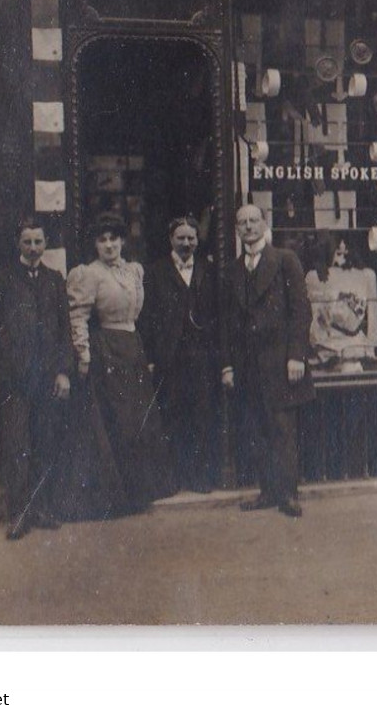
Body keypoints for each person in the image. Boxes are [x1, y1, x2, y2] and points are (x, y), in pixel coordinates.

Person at [66, 215, 174, 513]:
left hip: (132, 348)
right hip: (107, 350)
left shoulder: (134, 271)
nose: (109, 245)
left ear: (123, 241)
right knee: (118, 421)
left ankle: (139, 493)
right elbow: (78, 316)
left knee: (139, 421)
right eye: (102, 240)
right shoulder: (88, 274)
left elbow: (140, 315)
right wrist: (84, 354)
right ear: (95, 245)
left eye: (114, 239)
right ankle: (117, 498)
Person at [0, 217, 72, 539]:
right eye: (27, 242)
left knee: (45, 444)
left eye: (38, 242)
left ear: (46, 244)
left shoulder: (54, 279)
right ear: (18, 244)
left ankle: (42, 508)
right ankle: (18, 513)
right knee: (17, 446)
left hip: (46, 378)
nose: (33, 248)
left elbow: (64, 330)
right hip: (13, 379)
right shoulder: (3, 279)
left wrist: (63, 372)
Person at [222, 203, 314, 518]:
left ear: (264, 224)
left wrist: (296, 355)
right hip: (248, 363)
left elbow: (301, 311)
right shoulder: (234, 269)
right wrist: (229, 365)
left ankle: (288, 494)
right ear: (237, 229)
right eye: (242, 222)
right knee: (257, 428)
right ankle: (267, 491)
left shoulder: (285, 260)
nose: (248, 227)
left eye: (253, 220)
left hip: (280, 361)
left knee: (282, 428)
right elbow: (230, 324)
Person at [138, 216, 219, 493]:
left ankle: (200, 478)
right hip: (168, 357)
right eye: (181, 238)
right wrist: (149, 357)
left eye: (191, 238)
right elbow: (146, 317)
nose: (186, 243)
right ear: (171, 240)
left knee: (201, 416)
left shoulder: (208, 270)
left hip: (201, 357)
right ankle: (172, 480)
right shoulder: (155, 272)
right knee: (171, 417)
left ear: (198, 240)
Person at [305, 234, 377, 370]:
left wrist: (370, 349)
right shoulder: (315, 277)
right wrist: (320, 351)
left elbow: (373, 320)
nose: (343, 249)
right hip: (329, 347)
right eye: (338, 248)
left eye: (345, 247)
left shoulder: (366, 276)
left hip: (359, 347)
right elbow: (314, 321)